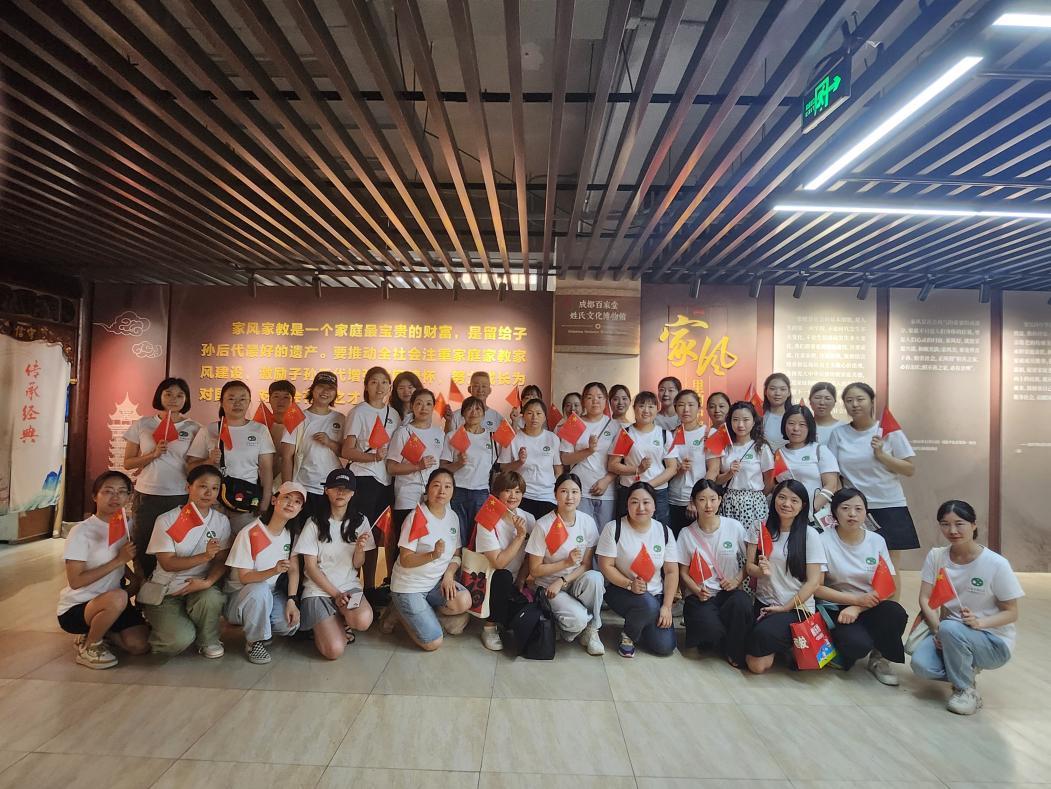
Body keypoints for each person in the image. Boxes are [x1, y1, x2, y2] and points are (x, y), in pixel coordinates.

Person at [911, 500, 1024, 715]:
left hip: (993, 641)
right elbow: (925, 598)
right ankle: (963, 668)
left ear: (973, 525)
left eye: (959, 524)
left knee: (951, 628)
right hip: (947, 633)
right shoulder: (937, 556)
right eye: (945, 524)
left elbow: (1012, 612)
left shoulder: (996, 564)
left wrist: (979, 622)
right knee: (922, 666)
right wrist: (937, 630)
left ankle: (965, 690)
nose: (952, 531)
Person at [56, 471, 150, 669]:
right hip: (80, 605)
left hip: (113, 599)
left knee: (140, 645)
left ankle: (102, 630)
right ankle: (90, 646)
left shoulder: (125, 525)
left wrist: (132, 577)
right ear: (94, 496)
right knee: (118, 597)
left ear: (129, 497)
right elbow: (76, 581)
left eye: (122, 492)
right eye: (108, 491)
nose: (115, 497)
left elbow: (116, 557)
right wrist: (119, 560)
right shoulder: (81, 531)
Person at [816, 488, 906, 685]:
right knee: (856, 647)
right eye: (845, 508)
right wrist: (853, 601)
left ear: (866, 512)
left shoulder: (876, 540)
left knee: (895, 613)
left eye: (858, 509)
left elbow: (888, 585)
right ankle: (838, 644)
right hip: (838, 607)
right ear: (834, 512)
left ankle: (880, 659)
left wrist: (858, 607)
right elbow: (817, 588)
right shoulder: (822, 540)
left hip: (869, 603)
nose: (852, 514)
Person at [141, 465, 230, 658]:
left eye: (215, 488)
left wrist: (207, 582)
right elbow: (167, 563)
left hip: (199, 586)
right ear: (188, 487)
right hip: (167, 590)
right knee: (177, 641)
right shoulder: (167, 519)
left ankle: (208, 639)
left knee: (211, 597)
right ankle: (170, 626)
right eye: (203, 486)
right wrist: (204, 556)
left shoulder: (221, 521)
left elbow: (221, 560)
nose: (209, 493)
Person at [826, 382, 918, 569]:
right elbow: (834, 474)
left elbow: (909, 469)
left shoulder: (887, 432)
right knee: (856, 564)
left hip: (889, 505)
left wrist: (882, 455)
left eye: (860, 399)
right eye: (849, 400)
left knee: (888, 567)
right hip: (854, 509)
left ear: (871, 401)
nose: (855, 404)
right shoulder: (838, 434)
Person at [382, 468, 472, 651]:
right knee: (433, 643)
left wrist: (448, 575)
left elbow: (456, 554)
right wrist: (432, 555)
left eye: (447, 486)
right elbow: (405, 559)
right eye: (436, 485)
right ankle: (399, 611)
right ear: (428, 488)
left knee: (463, 601)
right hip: (409, 586)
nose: (442, 491)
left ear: (453, 491)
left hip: (434, 583)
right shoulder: (416, 517)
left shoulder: (453, 517)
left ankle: (418, 614)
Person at [744, 480, 827, 674]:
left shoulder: (810, 535)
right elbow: (749, 568)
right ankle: (784, 644)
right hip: (764, 604)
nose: (786, 504)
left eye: (794, 500)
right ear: (774, 500)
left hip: (796, 608)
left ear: (803, 505)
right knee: (756, 665)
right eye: (781, 497)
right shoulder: (759, 527)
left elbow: (814, 582)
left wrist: (785, 608)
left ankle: (789, 645)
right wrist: (760, 571)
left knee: (758, 654)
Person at [123, 377, 201, 579]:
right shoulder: (143, 424)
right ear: (159, 396)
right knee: (143, 543)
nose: (174, 399)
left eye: (180, 395)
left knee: (175, 543)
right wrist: (153, 454)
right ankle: (144, 588)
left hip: (180, 495)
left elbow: (195, 465)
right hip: (147, 494)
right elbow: (128, 463)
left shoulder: (194, 428)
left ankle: (168, 589)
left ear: (186, 399)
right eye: (168, 394)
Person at [293, 469, 375, 660]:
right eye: (336, 488)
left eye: (346, 489)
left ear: (353, 493)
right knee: (334, 650)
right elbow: (311, 568)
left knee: (362, 620)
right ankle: (328, 625)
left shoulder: (360, 521)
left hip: (349, 587)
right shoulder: (314, 523)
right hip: (317, 591)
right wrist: (336, 594)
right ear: (326, 490)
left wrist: (360, 549)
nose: (341, 493)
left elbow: (358, 564)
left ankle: (338, 620)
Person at [224, 481, 306, 664]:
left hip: (270, 593)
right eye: (287, 498)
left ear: (300, 509)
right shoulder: (251, 532)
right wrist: (273, 570)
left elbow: (293, 570)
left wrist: (291, 600)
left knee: (289, 625)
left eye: (297, 502)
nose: (291, 504)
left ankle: (259, 625)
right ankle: (255, 642)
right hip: (241, 595)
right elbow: (245, 577)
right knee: (259, 590)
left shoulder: (291, 534)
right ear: (274, 500)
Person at [525, 472, 605, 655]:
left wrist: (563, 579)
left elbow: (586, 564)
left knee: (595, 578)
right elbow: (534, 570)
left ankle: (592, 630)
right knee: (577, 620)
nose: (570, 497)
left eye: (574, 492)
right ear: (555, 494)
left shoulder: (587, 522)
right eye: (564, 491)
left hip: (572, 581)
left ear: (580, 495)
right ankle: (565, 624)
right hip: (549, 587)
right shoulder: (543, 525)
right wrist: (565, 563)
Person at [597, 481, 679, 658]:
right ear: (627, 505)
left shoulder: (664, 531)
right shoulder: (614, 528)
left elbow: (671, 571)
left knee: (664, 646)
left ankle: (643, 623)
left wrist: (666, 606)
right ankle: (629, 634)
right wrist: (629, 584)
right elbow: (605, 565)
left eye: (646, 502)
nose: (640, 507)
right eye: (634, 502)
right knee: (648, 606)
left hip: (655, 595)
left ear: (655, 506)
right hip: (621, 591)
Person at [676, 480, 752, 667]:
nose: (708, 505)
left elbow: (750, 562)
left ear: (720, 500)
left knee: (742, 603)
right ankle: (715, 636)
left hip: (729, 592)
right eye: (702, 500)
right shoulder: (686, 533)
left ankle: (733, 650)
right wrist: (696, 590)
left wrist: (737, 580)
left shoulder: (734, 527)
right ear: (694, 502)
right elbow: (683, 572)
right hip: (701, 596)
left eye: (712, 499)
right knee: (710, 632)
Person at [186, 380, 275, 533]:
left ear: (249, 402)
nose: (237, 403)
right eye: (231, 398)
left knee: (242, 544)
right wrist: (209, 461)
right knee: (210, 542)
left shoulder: (260, 430)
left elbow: (266, 470)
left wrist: (265, 501)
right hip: (212, 500)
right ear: (221, 402)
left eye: (243, 399)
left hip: (245, 500)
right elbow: (190, 468)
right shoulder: (209, 430)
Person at [341, 366, 397, 589]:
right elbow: (347, 450)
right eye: (374, 382)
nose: (379, 387)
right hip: (363, 479)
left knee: (375, 537)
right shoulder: (358, 412)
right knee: (359, 536)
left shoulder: (394, 414)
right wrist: (373, 457)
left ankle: (370, 588)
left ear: (389, 387)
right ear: (366, 386)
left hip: (386, 482)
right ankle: (351, 587)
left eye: (384, 382)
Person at [474, 471, 536, 651]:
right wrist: (520, 536)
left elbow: (530, 555)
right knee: (503, 576)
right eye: (507, 491)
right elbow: (498, 563)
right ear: (497, 493)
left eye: (518, 491)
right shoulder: (487, 520)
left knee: (524, 622)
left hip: (515, 580)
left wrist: (522, 579)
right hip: (489, 580)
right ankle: (489, 627)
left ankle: (504, 617)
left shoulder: (528, 518)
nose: (513, 496)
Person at [607, 391, 680, 524]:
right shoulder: (626, 433)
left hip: (658, 492)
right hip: (629, 490)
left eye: (651, 406)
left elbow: (672, 468)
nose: (646, 410)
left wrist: (647, 486)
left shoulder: (664, 434)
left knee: (659, 529)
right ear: (634, 408)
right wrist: (637, 469)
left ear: (657, 409)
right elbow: (613, 465)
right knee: (627, 528)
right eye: (641, 406)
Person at [706, 401, 774, 540]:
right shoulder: (725, 446)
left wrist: (755, 497)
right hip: (729, 501)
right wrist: (729, 473)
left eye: (746, 420)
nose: (740, 424)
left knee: (752, 543)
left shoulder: (761, 447)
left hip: (754, 503)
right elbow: (717, 481)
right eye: (735, 420)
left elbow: (769, 480)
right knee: (730, 542)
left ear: (754, 422)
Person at [279, 371, 344, 512]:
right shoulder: (296, 416)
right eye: (321, 387)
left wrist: (329, 442)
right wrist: (287, 489)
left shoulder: (340, 418)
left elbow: (345, 453)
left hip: (332, 488)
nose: (325, 392)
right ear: (312, 389)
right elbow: (287, 456)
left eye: (330, 388)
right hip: (303, 487)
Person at [560, 382, 618, 529]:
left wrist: (606, 480)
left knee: (605, 534)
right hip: (579, 489)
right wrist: (589, 451)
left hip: (607, 490)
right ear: (583, 401)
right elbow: (565, 458)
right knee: (581, 533)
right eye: (590, 397)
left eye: (599, 397)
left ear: (606, 400)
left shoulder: (614, 426)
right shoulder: (573, 423)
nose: (595, 401)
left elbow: (620, 460)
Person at [440, 395, 497, 544]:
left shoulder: (492, 437)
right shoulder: (453, 436)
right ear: (462, 413)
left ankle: (473, 561)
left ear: (484, 413)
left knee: (479, 537)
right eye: (469, 409)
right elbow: (443, 468)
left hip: (481, 492)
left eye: (478, 409)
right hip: (457, 491)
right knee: (457, 535)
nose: (473, 412)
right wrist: (458, 464)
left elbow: (498, 467)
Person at [387, 389, 445, 531]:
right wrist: (418, 466)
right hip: (408, 496)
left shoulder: (439, 433)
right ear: (412, 406)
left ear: (433, 407)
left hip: (433, 496)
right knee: (406, 538)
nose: (423, 408)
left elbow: (443, 466)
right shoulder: (403, 432)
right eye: (419, 403)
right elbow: (391, 468)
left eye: (428, 404)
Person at [498, 398, 563, 518]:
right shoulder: (513, 438)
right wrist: (519, 462)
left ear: (545, 417)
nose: (534, 417)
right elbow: (503, 469)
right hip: (521, 496)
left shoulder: (552, 438)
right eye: (530, 413)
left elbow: (558, 470)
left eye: (538, 413)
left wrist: (555, 491)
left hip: (547, 497)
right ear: (523, 416)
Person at [778, 404, 840, 516]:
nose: (796, 428)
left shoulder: (820, 450)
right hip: (786, 515)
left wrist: (810, 510)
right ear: (784, 425)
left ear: (810, 427)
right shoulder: (778, 454)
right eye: (791, 423)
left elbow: (831, 485)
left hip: (815, 515)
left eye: (802, 424)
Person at [668, 389, 709, 535]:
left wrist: (697, 498)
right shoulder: (670, 435)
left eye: (691, 405)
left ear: (699, 407)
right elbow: (667, 469)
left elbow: (713, 469)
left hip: (701, 501)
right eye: (681, 405)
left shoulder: (707, 433)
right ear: (675, 408)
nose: (686, 409)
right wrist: (678, 469)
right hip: (674, 498)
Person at [761, 373, 792, 451]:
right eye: (772, 389)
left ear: (789, 392)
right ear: (765, 391)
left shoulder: (795, 416)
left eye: (782, 389)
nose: (777, 393)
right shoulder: (759, 416)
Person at [266, 380, 297, 448]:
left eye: (286, 397)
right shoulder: (262, 424)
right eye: (276, 396)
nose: (281, 401)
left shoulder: (298, 427)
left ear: (293, 401)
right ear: (269, 399)